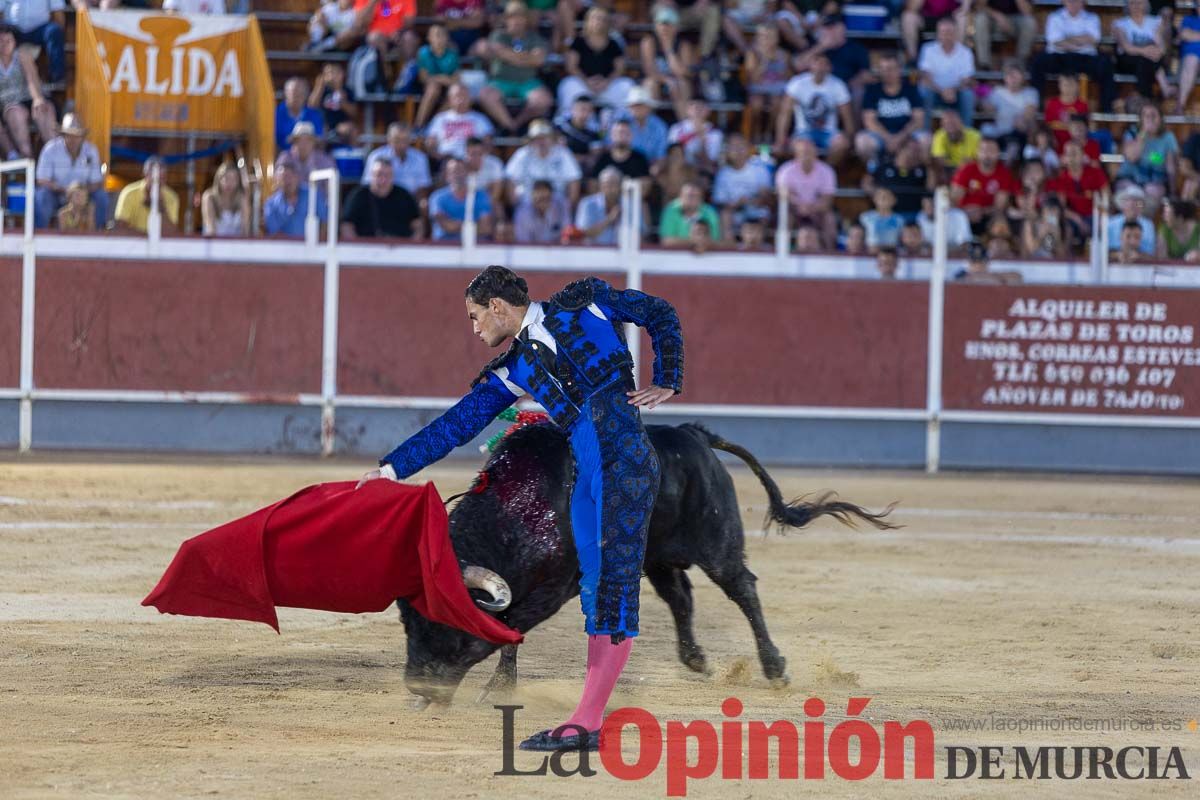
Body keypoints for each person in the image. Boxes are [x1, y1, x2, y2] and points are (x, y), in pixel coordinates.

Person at [359, 265, 683, 752]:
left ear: (497, 306)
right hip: (587, 474)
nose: (474, 329)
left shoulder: (585, 303)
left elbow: (659, 312)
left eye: (474, 317)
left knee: (613, 589)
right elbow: (456, 424)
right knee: (597, 589)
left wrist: (669, 379)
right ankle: (587, 720)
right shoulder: (516, 368)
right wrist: (389, 470)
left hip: (624, 465)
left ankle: (587, 722)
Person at [477, 1, 552, 133]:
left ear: (526, 19)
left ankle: (517, 124)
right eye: (512, 17)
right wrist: (527, 57)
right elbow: (499, 51)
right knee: (485, 95)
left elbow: (539, 60)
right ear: (506, 19)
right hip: (501, 81)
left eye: (520, 17)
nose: (516, 21)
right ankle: (509, 125)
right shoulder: (498, 35)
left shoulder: (535, 37)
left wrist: (509, 56)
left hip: (527, 82)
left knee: (544, 101)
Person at [1031, 0, 1114, 111]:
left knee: (1106, 63)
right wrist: (1080, 41)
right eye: (1070, 1)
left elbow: (1093, 39)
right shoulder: (1055, 17)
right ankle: (1037, 106)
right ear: (1064, 2)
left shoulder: (1092, 18)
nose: (1073, 3)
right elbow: (1055, 41)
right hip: (1059, 57)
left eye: (1077, 1)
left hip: (1084, 58)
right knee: (1037, 62)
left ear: (1083, 2)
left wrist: (1066, 39)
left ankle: (1106, 108)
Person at [775, 52, 852, 163]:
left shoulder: (838, 85)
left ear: (829, 67)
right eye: (817, 63)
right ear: (810, 65)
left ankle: (825, 172)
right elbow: (785, 113)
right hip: (803, 132)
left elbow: (847, 117)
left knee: (842, 144)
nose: (820, 67)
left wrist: (850, 138)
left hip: (829, 132)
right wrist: (780, 140)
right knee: (802, 148)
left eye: (824, 64)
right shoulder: (797, 83)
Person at [34, 112, 106, 230]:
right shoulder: (50, 149)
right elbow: (42, 180)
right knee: (41, 196)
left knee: (101, 197)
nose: (73, 139)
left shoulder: (91, 150)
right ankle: (41, 234)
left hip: (83, 196)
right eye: (69, 135)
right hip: (57, 194)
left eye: (77, 135)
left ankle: (98, 235)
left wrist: (80, 193)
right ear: (63, 135)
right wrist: (64, 190)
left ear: (82, 136)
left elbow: (96, 182)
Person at [557, 6, 634, 113]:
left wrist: (607, 82)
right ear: (587, 21)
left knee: (627, 85)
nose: (599, 22)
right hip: (583, 84)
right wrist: (586, 81)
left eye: (602, 19)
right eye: (595, 18)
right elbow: (571, 66)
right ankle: (568, 121)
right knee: (568, 84)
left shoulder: (614, 43)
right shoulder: (578, 42)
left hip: (607, 86)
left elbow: (619, 69)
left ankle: (619, 124)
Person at [855, 52, 926, 167]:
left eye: (891, 69)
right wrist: (889, 138)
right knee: (862, 142)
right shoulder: (872, 90)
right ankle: (876, 172)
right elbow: (869, 121)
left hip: (907, 134)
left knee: (925, 140)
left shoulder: (911, 89)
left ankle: (915, 175)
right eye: (883, 69)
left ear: (899, 69)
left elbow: (918, 120)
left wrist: (900, 137)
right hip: (881, 135)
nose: (887, 73)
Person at [0, 24, 55, 159]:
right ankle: (25, 159)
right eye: (0, 41)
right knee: (15, 114)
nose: (4, 44)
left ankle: (55, 154)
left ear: (15, 41)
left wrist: (37, 99)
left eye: (8, 41)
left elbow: (32, 78)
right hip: (6, 105)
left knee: (44, 109)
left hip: (28, 98)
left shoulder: (22, 56)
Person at [776, 135, 837, 249]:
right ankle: (782, 250)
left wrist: (812, 208)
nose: (806, 155)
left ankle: (831, 252)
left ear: (815, 153)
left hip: (817, 211)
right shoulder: (786, 171)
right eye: (802, 152)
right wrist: (800, 205)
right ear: (796, 154)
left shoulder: (826, 171)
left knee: (830, 220)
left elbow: (827, 200)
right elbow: (784, 194)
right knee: (784, 217)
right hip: (794, 209)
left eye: (809, 152)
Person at [503, 118, 582, 205]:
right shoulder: (522, 154)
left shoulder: (563, 154)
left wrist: (568, 208)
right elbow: (510, 179)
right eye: (537, 138)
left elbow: (574, 180)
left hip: (557, 204)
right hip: (528, 204)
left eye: (544, 138)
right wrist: (515, 207)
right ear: (531, 140)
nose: (541, 142)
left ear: (552, 139)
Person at [917, 16, 976, 127]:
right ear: (938, 33)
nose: (946, 35)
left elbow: (967, 79)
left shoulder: (965, 52)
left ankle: (967, 133)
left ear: (956, 33)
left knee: (968, 94)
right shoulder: (928, 49)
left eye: (949, 32)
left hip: (956, 93)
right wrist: (942, 91)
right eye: (943, 32)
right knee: (923, 90)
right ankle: (924, 133)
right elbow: (925, 76)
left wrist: (952, 90)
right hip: (935, 92)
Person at [340, 159, 420, 239]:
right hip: (365, 247)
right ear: (371, 175)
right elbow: (346, 226)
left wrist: (409, 247)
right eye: (379, 174)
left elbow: (418, 226)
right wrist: (357, 247)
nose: (383, 180)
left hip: (401, 247)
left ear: (393, 176)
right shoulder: (358, 196)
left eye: (387, 175)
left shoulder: (404, 196)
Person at [1112, 0, 1171, 102]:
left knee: (1146, 62)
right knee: (1145, 60)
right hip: (1127, 61)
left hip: (1150, 60)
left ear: (1146, 4)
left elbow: (1162, 48)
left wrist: (1156, 52)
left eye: (1139, 2)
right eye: (1132, 3)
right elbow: (1127, 48)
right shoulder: (1120, 24)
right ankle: (1162, 89)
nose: (1136, 6)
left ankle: (1146, 99)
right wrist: (1146, 51)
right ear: (1127, 5)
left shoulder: (1156, 21)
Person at [429, 156, 495, 241]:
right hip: (444, 246)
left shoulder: (482, 196)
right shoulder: (437, 197)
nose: (458, 174)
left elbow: (486, 228)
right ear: (446, 175)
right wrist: (472, 226)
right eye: (454, 171)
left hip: (476, 246)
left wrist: (456, 225)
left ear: (467, 173)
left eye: (461, 170)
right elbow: (447, 226)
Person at [425, 82, 495, 159]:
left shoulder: (480, 119)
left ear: (470, 98)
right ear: (449, 99)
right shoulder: (439, 119)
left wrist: (478, 158)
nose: (461, 100)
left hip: (471, 160)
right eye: (457, 96)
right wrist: (438, 157)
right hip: (446, 161)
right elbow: (430, 144)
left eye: (464, 96)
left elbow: (488, 144)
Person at [364, 122, 432, 200]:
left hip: (410, 201)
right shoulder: (375, 156)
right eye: (397, 140)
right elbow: (368, 184)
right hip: (383, 200)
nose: (401, 144)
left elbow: (424, 186)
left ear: (410, 139)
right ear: (389, 139)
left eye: (405, 140)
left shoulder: (420, 158)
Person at [264, 156, 328, 237]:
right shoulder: (271, 204)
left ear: (298, 177)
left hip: (312, 247)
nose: (287, 181)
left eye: (290, 176)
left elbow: (324, 223)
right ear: (277, 180)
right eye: (284, 177)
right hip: (284, 248)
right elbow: (275, 233)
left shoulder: (313, 195)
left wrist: (316, 246)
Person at [413, 23, 461, 130]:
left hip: (447, 87)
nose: (439, 38)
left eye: (443, 35)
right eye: (436, 35)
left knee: (455, 97)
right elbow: (423, 78)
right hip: (426, 87)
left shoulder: (452, 54)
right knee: (434, 88)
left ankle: (433, 124)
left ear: (447, 38)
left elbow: (456, 80)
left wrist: (443, 80)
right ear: (429, 38)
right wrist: (442, 78)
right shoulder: (423, 52)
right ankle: (418, 125)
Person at [114, 157, 179, 234]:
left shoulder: (171, 197)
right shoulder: (129, 194)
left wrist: (161, 209)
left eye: (162, 178)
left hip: (160, 245)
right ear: (145, 175)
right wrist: (146, 238)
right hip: (132, 244)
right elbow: (120, 228)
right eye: (154, 179)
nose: (157, 184)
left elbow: (171, 233)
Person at [5, 0, 65, 82]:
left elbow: (58, 13)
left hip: (40, 29)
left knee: (54, 31)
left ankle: (57, 77)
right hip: (13, 30)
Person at [973, 0, 1036, 69]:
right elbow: (979, 7)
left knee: (1030, 22)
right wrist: (997, 16)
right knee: (980, 19)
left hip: (1015, 22)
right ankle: (984, 64)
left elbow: (1028, 12)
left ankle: (1022, 63)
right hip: (993, 19)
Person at [658, 180, 719, 246]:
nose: (691, 199)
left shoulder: (709, 212)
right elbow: (666, 241)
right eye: (689, 195)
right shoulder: (671, 210)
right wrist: (694, 241)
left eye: (695, 196)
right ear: (680, 196)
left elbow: (715, 240)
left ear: (701, 198)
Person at [574, 165, 624, 245]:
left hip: (624, 254)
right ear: (600, 186)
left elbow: (641, 234)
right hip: (593, 253)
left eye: (614, 184)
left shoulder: (629, 204)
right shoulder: (587, 204)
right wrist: (609, 219)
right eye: (607, 184)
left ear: (620, 186)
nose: (610, 188)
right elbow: (583, 234)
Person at [513, 179, 571, 243]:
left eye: (546, 199)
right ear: (532, 198)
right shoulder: (522, 212)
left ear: (552, 197)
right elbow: (523, 242)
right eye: (539, 199)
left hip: (558, 249)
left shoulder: (561, 206)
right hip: (531, 250)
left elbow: (567, 233)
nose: (542, 203)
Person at [200, 162, 250, 237]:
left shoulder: (242, 199)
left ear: (238, 181)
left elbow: (245, 230)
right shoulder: (209, 197)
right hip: (213, 243)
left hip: (236, 245)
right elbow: (211, 228)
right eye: (226, 178)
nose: (230, 183)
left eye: (234, 179)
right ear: (219, 179)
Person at [275, 77, 324, 152]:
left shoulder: (314, 114)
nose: (298, 96)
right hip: (281, 157)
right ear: (285, 93)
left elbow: (320, 141)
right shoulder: (275, 114)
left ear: (306, 95)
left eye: (302, 93)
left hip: (309, 159)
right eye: (294, 93)